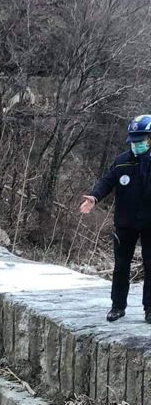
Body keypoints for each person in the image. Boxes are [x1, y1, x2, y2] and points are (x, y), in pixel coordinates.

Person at [80, 114, 151, 323]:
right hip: (125, 222)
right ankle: (118, 306)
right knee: (121, 266)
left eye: (141, 140)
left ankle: (149, 308)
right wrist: (94, 197)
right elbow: (107, 181)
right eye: (134, 141)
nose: (136, 144)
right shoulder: (121, 162)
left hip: (149, 223)